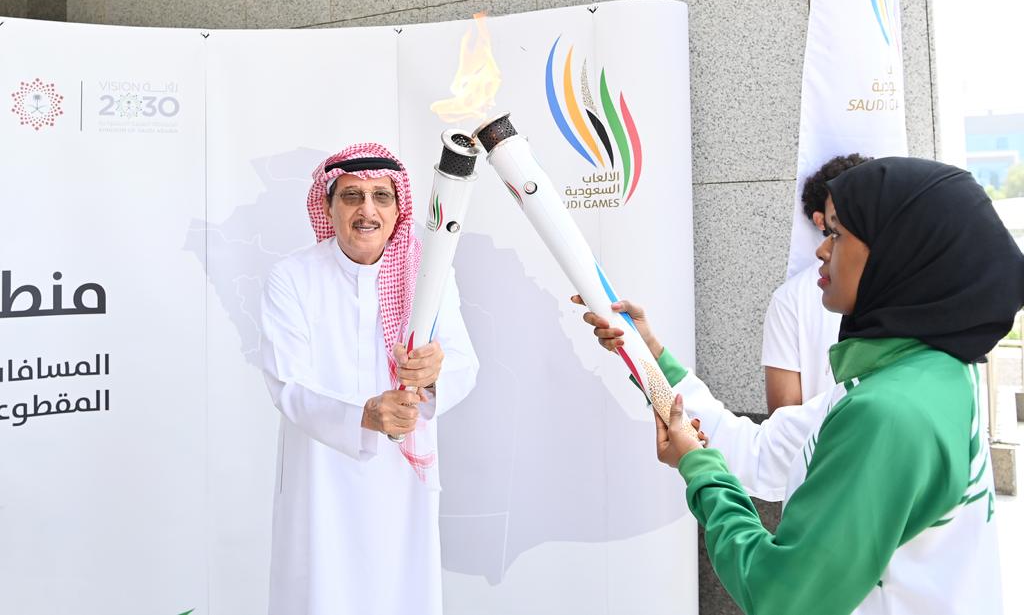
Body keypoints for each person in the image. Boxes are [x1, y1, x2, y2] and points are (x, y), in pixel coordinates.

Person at [584, 157, 1024, 615]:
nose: (822, 250)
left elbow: (782, 597)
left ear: (899, 251)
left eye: (837, 233)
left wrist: (700, 471)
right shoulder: (926, 372)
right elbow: (759, 453)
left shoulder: (887, 410)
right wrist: (649, 356)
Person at [259, 143, 479, 615]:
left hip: (401, 479)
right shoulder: (292, 276)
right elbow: (287, 383)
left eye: (381, 196)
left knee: (399, 594)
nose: (367, 210)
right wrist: (365, 414)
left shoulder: (430, 275)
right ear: (328, 207)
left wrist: (433, 375)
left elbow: (464, 362)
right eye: (352, 196)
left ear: (398, 209)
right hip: (319, 478)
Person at [763, 153, 871, 412]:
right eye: (834, 230)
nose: (822, 252)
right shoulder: (791, 299)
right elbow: (782, 419)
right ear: (821, 220)